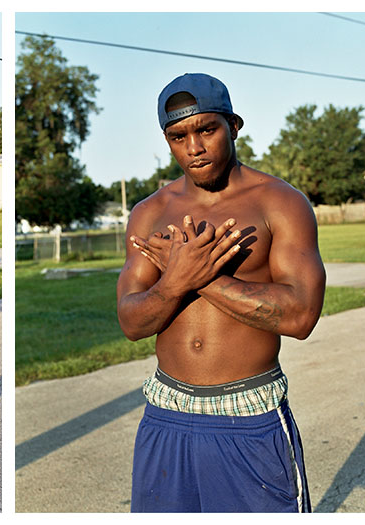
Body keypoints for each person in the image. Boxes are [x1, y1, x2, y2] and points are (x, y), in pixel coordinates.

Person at [117, 73, 325, 512]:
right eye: (178, 136)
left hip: (248, 416)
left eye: (206, 129)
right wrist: (174, 283)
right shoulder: (150, 212)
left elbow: (301, 315)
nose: (194, 147)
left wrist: (202, 276)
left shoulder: (279, 203)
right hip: (165, 414)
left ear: (234, 126)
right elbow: (131, 322)